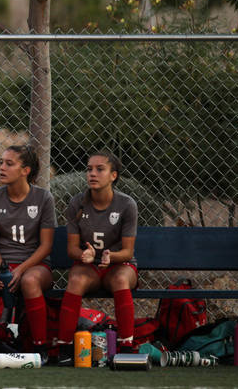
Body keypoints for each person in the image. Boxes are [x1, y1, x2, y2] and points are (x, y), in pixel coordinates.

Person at [0, 144, 56, 357]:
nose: (1, 168)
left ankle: (39, 347)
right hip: (2, 262)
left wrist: (20, 270)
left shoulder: (43, 198)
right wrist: (3, 268)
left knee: (29, 281)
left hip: (35, 264)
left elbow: (46, 246)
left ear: (25, 171)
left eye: (9, 164)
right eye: (1, 162)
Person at [57, 151, 138, 365]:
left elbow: (128, 252)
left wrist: (110, 256)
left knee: (121, 280)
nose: (92, 173)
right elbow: (72, 249)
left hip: (119, 265)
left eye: (100, 169)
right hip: (89, 266)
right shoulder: (77, 203)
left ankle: (126, 345)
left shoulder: (126, 204)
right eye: (89, 169)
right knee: (75, 280)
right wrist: (84, 255)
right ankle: (64, 348)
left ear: (113, 175)